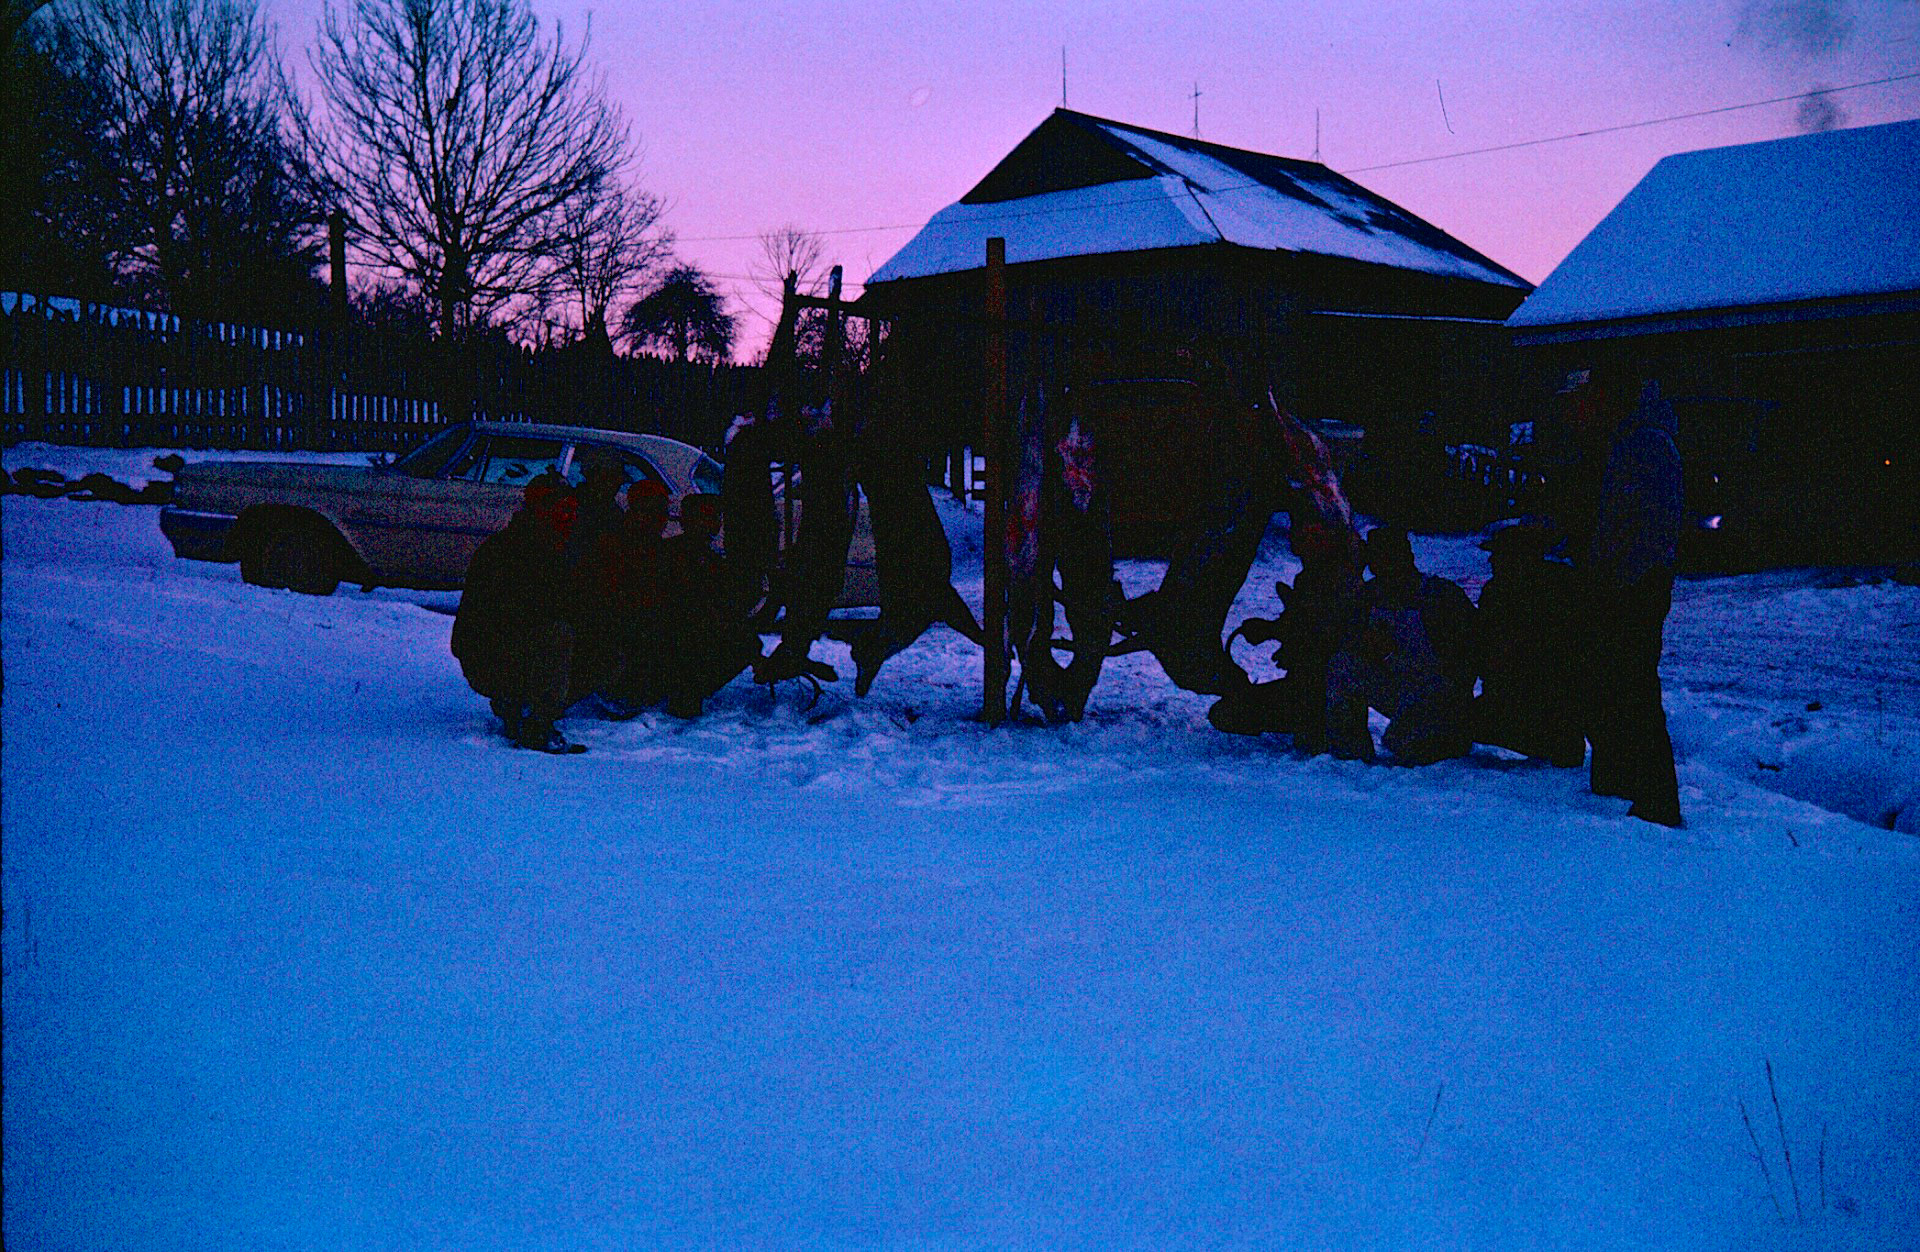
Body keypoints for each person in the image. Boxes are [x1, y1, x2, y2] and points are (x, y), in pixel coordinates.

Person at [1554, 366, 1685, 826]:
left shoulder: (1644, 443)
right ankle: (1619, 779)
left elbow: (1647, 528)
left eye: (1578, 403)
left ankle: (1656, 799)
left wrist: (1616, 578)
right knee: (1611, 684)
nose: (1573, 414)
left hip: (1634, 587)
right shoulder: (1618, 442)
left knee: (1634, 690)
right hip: (1620, 583)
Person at [450, 474, 588, 753]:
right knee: (558, 634)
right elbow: (509, 620)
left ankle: (521, 704)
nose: (570, 518)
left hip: (510, 650)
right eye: (563, 510)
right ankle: (534, 719)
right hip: (492, 654)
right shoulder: (511, 551)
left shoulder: (552, 549)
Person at [1322, 526, 1476, 765]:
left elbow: (1465, 664)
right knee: (1342, 668)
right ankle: (1350, 756)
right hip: (1399, 688)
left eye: (1389, 557)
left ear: (1407, 558)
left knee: (1409, 744)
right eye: (1377, 559)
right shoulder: (1368, 597)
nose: (1384, 567)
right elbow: (1342, 641)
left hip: (1439, 695)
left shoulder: (1440, 597)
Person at [1470, 521, 1586, 767]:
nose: (1492, 562)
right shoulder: (1497, 591)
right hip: (1513, 693)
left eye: (1499, 555)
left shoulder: (1558, 588)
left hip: (1549, 697)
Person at [657, 494, 764, 717]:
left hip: (694, 632)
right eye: (707, 518)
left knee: (746, 643)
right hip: (675, 635)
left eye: (715, 518)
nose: (714, 523)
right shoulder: (675, 554)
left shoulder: (708, 558)